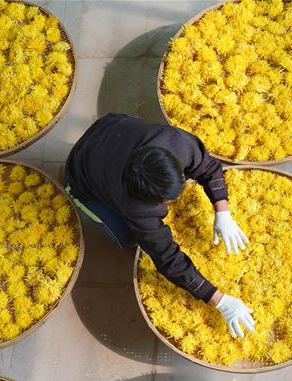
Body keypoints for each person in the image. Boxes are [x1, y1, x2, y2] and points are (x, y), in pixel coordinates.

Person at [64, 113, 255, 338]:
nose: (174, 201)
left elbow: (209, 167)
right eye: (167, 201)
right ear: (146, 199)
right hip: (81, 171)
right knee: (127, 237)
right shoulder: (135, 208)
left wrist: (223, 211)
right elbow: (168, 259)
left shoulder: (177, 142)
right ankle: (81, 196)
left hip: (109, 127)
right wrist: (220, 301)